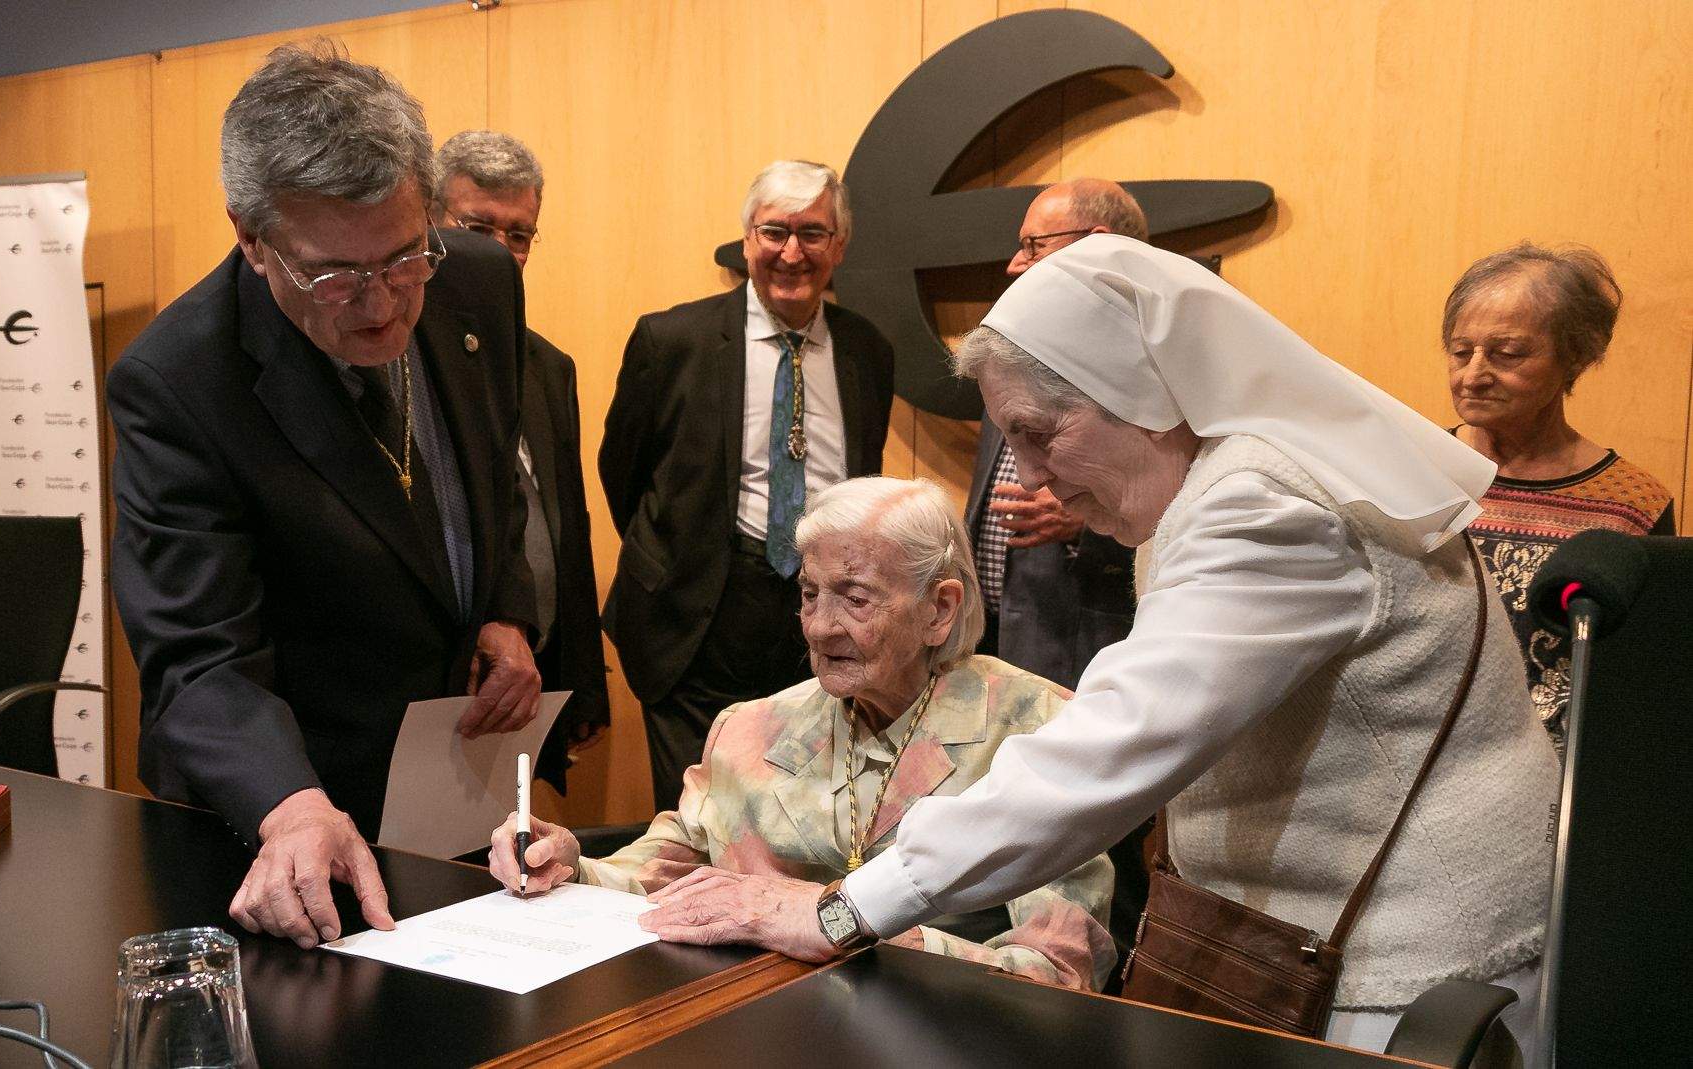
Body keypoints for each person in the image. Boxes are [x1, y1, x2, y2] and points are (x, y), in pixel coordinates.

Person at [635, 236, 1560, 1055]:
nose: (1027, 473)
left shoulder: (1267, 505)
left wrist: (844, 907)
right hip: (1312, 949)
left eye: (1040, 436)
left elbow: (1109, 751)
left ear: (1144, 397)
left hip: (1402, 973)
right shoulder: (1216, 480)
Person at [107, 43, 541, 951]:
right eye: (333, 275)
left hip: (449, 787)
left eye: (401, 257)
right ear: (250, 236)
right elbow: (196, 654)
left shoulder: (478, 281)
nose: (381, 304)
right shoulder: (180, 381)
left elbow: (491, 472)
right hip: (281, 829)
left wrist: (501, 609)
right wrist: (290, 803)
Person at [493, 477, 1116, 989]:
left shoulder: (1037, 732)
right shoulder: (750, 728)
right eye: (810, 594)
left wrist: (840, 926)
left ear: (940, 609)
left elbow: (1059, 974)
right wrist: (570, 865)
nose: (820, 628)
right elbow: (667, 872)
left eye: (856, 599)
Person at [600, 160, 895, 812]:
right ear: (747, 239)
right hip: (696, 621)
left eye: (813, 234)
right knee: (697, 826)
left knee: (805, 818)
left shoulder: (866, 350)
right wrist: (676, 553)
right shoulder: (673, 339)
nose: (792, 253)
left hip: (822, 617)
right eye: (775, 232)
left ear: (839, 246)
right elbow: (624, 471)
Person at [970, 178, 1148, 980]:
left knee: (1110, 867)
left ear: (1099, 245)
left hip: (1095, 655)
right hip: (1008, 653)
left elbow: (1173, 522)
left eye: (1035, 246)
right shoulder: (1016, 349)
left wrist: (1093, 523)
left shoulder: (1150, 363)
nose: (1015, 264)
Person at [1443, 242, 1675, 751]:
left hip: (1554, 771)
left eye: (1507, 354)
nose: (1473, 375)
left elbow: (1640, 675)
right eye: (1461, 352)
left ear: (1575, 355)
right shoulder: (1411, 467)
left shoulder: (1633, 503)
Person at [434, 130, 610, 790]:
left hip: (532, 668)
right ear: (427, 220)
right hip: (445, 673)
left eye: (520, 235)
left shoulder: (546, 364)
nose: (500, 254)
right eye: (478, 228)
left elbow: (568, 525)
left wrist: (584, 678)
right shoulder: (395, 358)